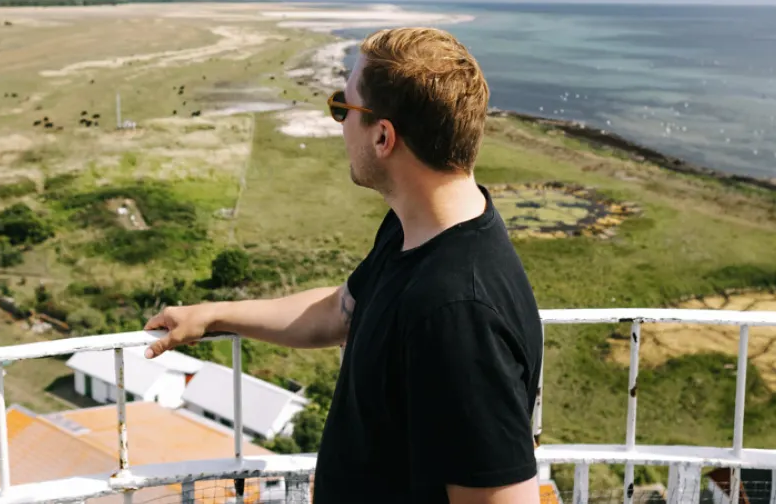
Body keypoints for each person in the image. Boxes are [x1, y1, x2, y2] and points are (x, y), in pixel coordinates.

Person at [145, 27, 543, 504]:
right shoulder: (416, 231)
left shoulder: (459, 314)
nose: (338, 123)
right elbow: (342, 311)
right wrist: (212, 315)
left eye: (343, 107)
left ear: (382, 136)